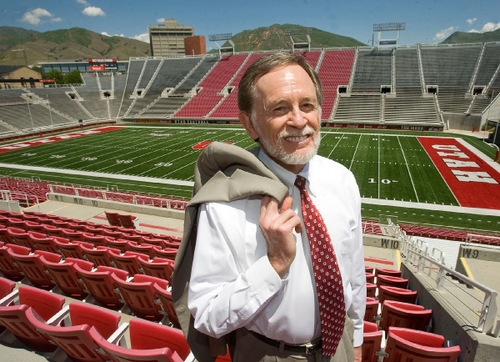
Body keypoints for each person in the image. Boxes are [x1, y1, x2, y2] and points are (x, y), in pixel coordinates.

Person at [175, 52, 366, 361]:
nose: (299, 120)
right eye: (280, 108)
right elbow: (207, 314)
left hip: (339, 346)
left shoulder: (342, 180)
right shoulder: (224, 204)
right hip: (269, 354)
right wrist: (274, 265)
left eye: (307, 105)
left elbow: (354, 275)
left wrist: (355, 342)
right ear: (250, 123)